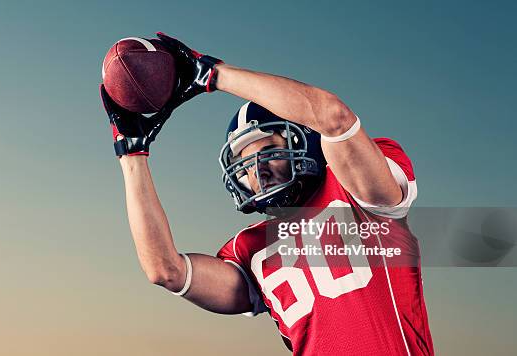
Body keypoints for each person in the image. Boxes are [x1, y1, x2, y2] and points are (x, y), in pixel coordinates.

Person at [100, 33, 434, 356]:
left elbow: (333, 118)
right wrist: (132, 156)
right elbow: (164, 270)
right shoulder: (252, 249)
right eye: (244, 161)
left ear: (304, 141)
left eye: (268, 150)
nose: (255, 169)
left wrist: (213, 74)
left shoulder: (357, 195)